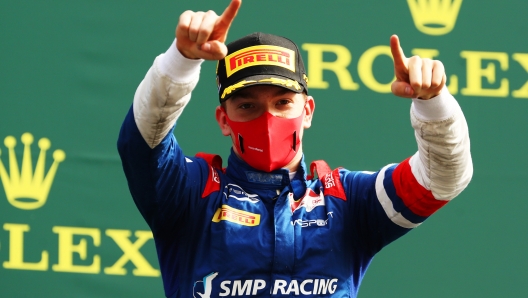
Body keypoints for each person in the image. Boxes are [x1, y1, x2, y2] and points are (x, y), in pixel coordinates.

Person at [117, 0, 473, 297]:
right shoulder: (192, 194)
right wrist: (180, 61)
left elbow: (442, 180)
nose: (267, 117)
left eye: (283, 102)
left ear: (308, 111)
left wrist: (433, 103)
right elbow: (142, 142)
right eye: (247, 106)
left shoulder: (348, 201)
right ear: (223, 120)